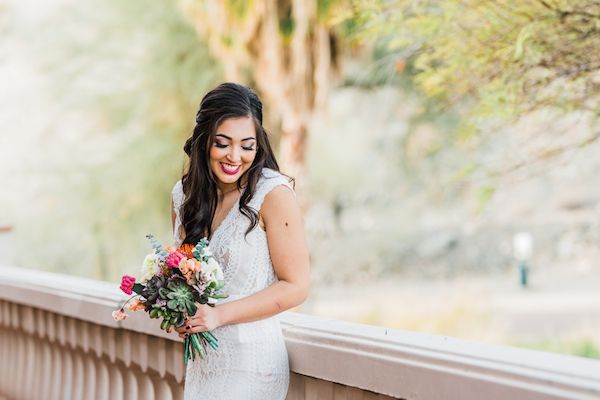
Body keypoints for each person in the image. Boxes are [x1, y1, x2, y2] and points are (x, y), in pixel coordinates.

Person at [170, 82, 310, 399]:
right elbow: (185, 276)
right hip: (204, 363)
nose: (235, 156)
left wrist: (219, 314)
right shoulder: (183, 196)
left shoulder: (272, 194)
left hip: (253, 361)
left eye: (247, 146)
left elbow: (296, 286)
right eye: (223, 143)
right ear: (204, 140)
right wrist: (178, 309)